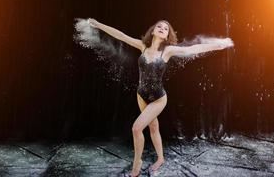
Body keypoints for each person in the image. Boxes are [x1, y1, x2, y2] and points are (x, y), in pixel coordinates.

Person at [88, 18, 233, 176]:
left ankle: (137, 163)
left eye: (166, 28)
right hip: (141, 95)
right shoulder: (142, 46)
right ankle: (161, 158)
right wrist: (99, 25)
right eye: (159, 26)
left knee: (136, 129)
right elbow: (121, 36)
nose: (162, 28)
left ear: (167, 36)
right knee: (153, 127)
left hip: (158, 98)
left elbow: (193, 48)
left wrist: (219, 44)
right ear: (153, 31)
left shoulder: (168, 51)